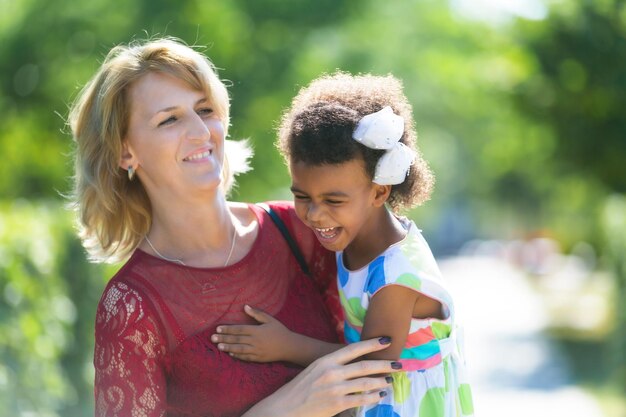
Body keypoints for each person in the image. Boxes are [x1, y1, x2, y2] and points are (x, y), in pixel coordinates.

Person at [68, 38, 402, 417]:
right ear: (125, 151)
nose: (201, 132)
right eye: (170, 119)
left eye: (205, 109)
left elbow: (403, 350)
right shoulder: (132, 307)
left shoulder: (302, 231)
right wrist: (282, 409)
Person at [212, 73, 475, 417]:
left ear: (380, 191)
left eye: (333, 201)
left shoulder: (395, 277)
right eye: (302, 196)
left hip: (408, 403)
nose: (315, 215)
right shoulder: (352, 234)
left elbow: (372, 362)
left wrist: (285, 345)